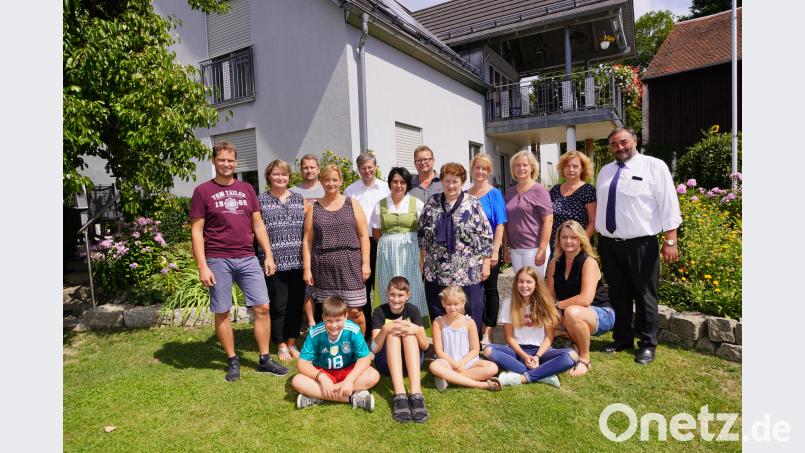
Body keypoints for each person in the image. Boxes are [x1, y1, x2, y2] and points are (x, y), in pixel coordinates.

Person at [189, 141, 289, 382]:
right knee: (222, 310)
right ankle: (233, 360)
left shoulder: (247, 189)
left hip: (247, 257)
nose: (226, 164)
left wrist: (268, 254)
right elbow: (196, 231)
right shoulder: (203, 191)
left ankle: (264, 359)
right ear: (214, 161)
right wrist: (202, 265)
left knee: (263, 306)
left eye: (230, 160)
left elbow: (257, 224)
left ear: (236, 162)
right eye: (222, 159)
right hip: (218, 259)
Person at [595, 127, 681, 365]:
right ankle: (622, 338)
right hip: (609, 244)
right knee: (618, 295)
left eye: (623, 142)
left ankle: (647, 344)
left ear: (634, 140)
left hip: (641, 244)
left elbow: (668, 204)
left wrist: (670, 240)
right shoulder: (605, 172)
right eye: (614, 144)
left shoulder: (654, 166)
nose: (619, 147)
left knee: (645, 297)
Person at [418, 162, 492, 338]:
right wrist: (422, 259)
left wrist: (486, 262)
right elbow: (422, 234)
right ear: (441, 181)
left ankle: (471, 345)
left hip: (467, 268)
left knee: (473, 307)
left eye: (455, 181)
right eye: (447, 181)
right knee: (438, 306)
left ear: (462, 182)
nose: (451, 186)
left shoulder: (472, 203)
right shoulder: (432, 203)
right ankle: (443, 345)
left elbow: (486, 235)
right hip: (436, 268)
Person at [303, 164, 372, 333]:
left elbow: (364, 236)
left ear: (341, 181)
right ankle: (336, 348)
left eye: (335, 179)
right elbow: (307, 241)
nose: (331, 183)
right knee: (330, 313)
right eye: (327, 179)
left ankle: (360, 349)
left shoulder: (352, 204)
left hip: (351, 265)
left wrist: (366, 263)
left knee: (355, 312)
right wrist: (307, 269)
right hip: (324, 268)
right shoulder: (314, 207)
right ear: (321, 182)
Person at [483, 266, 577, 388]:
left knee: (572, 355)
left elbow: (549, 336)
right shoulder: (508, 303)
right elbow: (509, 337)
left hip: (541, 352)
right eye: (521, 281)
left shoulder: (545, 304)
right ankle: (544, 374)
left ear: (536, 284)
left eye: (528, 282)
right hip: (516, 352)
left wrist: (537, 356)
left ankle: (524, 377)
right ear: (516, 283)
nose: (524, 285)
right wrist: (524, 356)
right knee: (488, 350)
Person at [545, 220, 614, 377]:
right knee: (544, 317)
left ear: (581, 239)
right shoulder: (555, 263)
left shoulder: (589, 262)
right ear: (558, 240)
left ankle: (584, 359)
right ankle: (570, 341)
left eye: (573, 237)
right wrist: (552, 311)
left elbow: (585, 299)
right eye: (564, 237)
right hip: (568, 310)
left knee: (572, 313)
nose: (568, 241)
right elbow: (549, 295)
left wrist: (558, 306)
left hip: (600, 312)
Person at [291, 296, 380, 411]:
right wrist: (321, 377)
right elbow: (302, 363)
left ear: (346, 316)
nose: (334, 326)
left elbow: (365, 358)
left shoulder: (353, 330)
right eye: (329, 321)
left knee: (373, 375)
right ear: (323, 318)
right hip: (324, 372)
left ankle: (317, 395)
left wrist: (349, 380)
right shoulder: (315, 333)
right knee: (297, 381)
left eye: (338, 320)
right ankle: (352, 398)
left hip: (348, 370)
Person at [258, 159, 306, 361]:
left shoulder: (298, 198)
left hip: (297, 260)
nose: (280, 177)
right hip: (274, 261)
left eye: (284, 174)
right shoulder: (260, 200)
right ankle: (280, 343)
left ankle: (293, 341)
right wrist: (268, 256)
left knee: (295, 304)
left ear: (289, 177)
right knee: (278, 304)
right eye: (276, 174)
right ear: (269, 176)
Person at [370, 277, 430, 423]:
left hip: (412, 364)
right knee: (392, 333)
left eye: (400, 295)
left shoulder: (413, 310)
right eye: (392, 295)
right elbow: (374, 349)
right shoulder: (379, 312)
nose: (396, 299)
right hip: (387, 366)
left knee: (409, 333)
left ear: (408, 295)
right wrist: (385, 329)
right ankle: (400, 394)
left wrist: (416, 330)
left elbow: (425, 346)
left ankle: (416, 393)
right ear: (387, 294)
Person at [344, 152, 390, 340]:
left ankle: (383, 330)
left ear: (376, 166)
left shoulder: (386, 188)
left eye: (370, 167)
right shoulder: (350, 190)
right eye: (363, 168)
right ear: (358, 170)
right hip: (359, 243)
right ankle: (367, 331)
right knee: (363, 288)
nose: (367, 170)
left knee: (382, 287)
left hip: (382, 242)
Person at [370, 167, 426, 316]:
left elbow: (425, 231)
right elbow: (376, 232)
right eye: (395, 182)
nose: (398, 185)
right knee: (387, 285)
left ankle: (413, 321)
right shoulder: (380, 204)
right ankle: (387, 322)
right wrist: (390, 243)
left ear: (407, 184)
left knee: (410, 284)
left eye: (402, 182)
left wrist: (422, 256)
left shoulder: (417, 203)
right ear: (389, 184)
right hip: (387, 253)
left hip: (410, 251)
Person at [466, 153, 507, 346]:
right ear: (472, 170)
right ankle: (473, 328)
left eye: (484, 168)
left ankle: (488, 331)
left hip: (488, 250)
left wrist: (495, 251)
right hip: (468, 252)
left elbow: (500, 224)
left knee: (490, 290)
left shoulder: (494, 194)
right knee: (472, 292)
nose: (480, 171)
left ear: (489, 172)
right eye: (477, 168)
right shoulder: (465, 194)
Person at [429, 285, 501, 391]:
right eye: (449, 304)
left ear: (462, 304)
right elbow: (439, 351)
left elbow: (475, 350)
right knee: (433, 366)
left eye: (456, 304)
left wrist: (462, 363)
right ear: (443, 303)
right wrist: (453, 364)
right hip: (447, 361)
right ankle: (481, 385)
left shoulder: (469, 322)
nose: (452, 307)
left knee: (492, 367)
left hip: (467, 362)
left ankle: (449, 378)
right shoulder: (438, 322)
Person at [503, 150, 554, 277]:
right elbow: (504, 222)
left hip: (534, 248)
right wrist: (505, 248)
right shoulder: (509, 192)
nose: (521, 168)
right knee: (521, 286)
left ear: (532, 168)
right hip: (515, 249)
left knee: (534, 287)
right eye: (517, 165)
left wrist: (542, 250)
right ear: (513, 169)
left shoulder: (540, 191)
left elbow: (548, 221)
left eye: (525, 165)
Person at [290, 154, 324, 330]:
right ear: (300, 170)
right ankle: (310, 324)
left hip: (325, 244)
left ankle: (326, 322)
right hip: (302, 244)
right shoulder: (293, 192)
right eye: (305, 167)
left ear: (318, 169)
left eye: (312, 167)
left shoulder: (326, 188)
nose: (309, 170)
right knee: (307, 287)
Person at [548, 150, 596, 249]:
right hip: (557, 247)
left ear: (582, 169)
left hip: (579, 247)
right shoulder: (554, 190)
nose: (570, 169)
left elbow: (593, 222)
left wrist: (580, 243)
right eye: (567, 166)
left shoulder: (588, 190)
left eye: (575, 166)